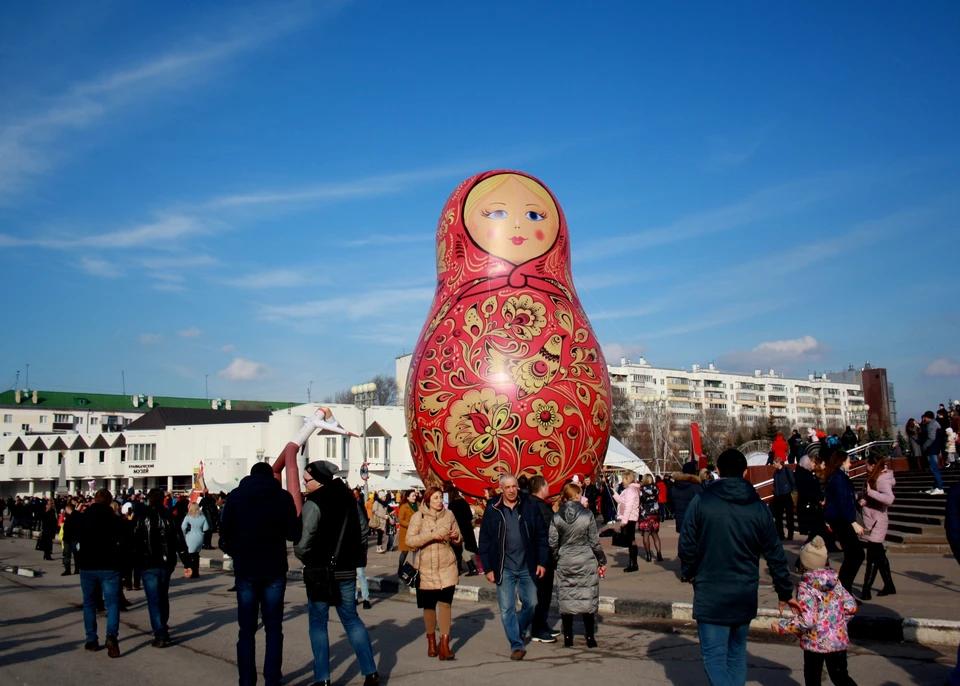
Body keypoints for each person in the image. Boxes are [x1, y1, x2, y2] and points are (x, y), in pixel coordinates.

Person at [679, 449, 798, 686]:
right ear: (745, 472)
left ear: (719, 472)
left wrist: (691, 574)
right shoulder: (758, 507)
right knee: (736, 653)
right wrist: (784, 591)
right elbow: (775, 553)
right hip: (744, 591)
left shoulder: (702, 501)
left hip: (711, 591)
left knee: (714, 658)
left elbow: (687, 545)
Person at [295, 461, 379, 686]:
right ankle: (370, 672)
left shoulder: (313, 503)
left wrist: (302, 555)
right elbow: (363, 529)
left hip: (320, 570)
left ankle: (323, 678)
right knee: (351, 619)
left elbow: (305, 538)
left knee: (318, 622)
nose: (304, 483)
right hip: (347, 569)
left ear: (320, 481)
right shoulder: (349, 499)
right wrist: (356, 557)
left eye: (307, 480)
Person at [219, 461, 300, 686]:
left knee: (246, 630)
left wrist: (237, 550)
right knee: (274, 628)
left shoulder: (236, 497)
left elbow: (224, 532)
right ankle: (272, 679)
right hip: (274, 567)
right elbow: (292, 533)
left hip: (246, 567)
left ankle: (246, 680)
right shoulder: (283, 497)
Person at [477, 473, 550, 661]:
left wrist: (542, 561)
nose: (511, 490)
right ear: (501, 489)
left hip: (527, 564)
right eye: (507, 487)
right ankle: (517, 644)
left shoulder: (529, 506)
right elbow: (484, 540)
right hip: (504, 567)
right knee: (507, 608)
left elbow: (542, 535)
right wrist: (488, 568)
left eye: (514, 486)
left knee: (532, 604)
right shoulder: (493, 509)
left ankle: (517, 630)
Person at [775, 536, 859, 686]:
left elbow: (808, 620)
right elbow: (851, 607)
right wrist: (838, 624)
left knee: (813, 678)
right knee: (840, 676)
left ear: (803, 565)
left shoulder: (805, 587)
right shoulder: (835, 581)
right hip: (837, 640)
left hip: (814, 643)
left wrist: (782, 626)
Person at [405, 485, 462, 661]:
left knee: (445, 604)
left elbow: (460, 538)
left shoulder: (449, 515)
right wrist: (430, 535)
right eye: (435, 498)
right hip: (426, 568)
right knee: (429, 606)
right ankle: (431, 641)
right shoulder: (418, 517)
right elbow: (410, 541)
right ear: (428, 500)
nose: (439, 501)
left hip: (447, 566)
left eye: (440, 497)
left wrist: (455, 537)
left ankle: (444, 644)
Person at [132, 488, 192, 648]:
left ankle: (160, 634)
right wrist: (187, 563)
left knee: (154, 599)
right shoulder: (169, 517)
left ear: (150, 500)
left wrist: (134, 561)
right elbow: (180, 541)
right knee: (162, 596)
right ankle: (162, 626)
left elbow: (135, 540)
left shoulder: (142, 517)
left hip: (148, 564)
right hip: (166, 563)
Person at [549, 482, 606, 648]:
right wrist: (601, 559)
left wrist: (556, 558)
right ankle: (590, 637)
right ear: (575, 496)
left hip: (565, 559)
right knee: (586, 597)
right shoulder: (587, 515)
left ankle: (568, 637)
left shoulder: (556, 516)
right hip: (585, 559)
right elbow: (594, 541)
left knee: (567, 599)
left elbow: (552, 542)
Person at [77, 489, 127, 658]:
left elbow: (70, 534)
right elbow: (125, 541)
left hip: (88, 565)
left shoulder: (83, 518)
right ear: (110, 501)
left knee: (89, 603)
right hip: (109, 565)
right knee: (112, 603)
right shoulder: (115, 519)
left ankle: (91, 639)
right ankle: (111, 635)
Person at [823, 451, 865, 595]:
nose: (850, 463)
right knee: (856, 555)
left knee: (853, 555)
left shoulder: (839, 477)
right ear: (841, 462)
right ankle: (843, 591)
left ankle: (843, 590)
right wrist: (853, 522)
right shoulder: (839, 478)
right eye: (848, 461)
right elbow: (841, 502)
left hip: (841, 519)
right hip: (843, 520)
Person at [858, 456, 896, 600]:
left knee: (872, 557)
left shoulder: (881, 480)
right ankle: (889, 585)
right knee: (879, 556)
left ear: (873, 466)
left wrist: (869, 493)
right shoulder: (873, 478)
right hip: (872, 521)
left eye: (867, 465)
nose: (865, 468)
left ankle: (866, 590)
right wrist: (861, 498)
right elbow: (869, 495)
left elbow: (889, 499)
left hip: (877, 523)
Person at [528, 475, 558, 643]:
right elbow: (548, 534)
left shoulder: (532, 505)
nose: (548, 488)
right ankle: (538, 629)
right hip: (542, 558)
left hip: (541, 557)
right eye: (546, 485)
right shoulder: (540, 508)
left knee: (544, 593)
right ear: (541, 489)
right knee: (542, 594)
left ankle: (542, 624)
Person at [447, 484, 479, 577]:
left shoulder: (452, 505)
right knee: (462, 548)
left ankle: (470, 568)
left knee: (460, 549)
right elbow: (469, 515)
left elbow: (451, 518)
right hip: (467, 528)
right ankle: (463, 567)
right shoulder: (463, 502)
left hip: (458, 529)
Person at [613, 472, 641, 572]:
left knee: (630, 540)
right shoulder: (631, 490)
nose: (622, 481)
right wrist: (615, 493)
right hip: (630, 517)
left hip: (630, 518)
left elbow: (628, 506)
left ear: (627, 479)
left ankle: (633, 564)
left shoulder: (630, 490)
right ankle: (633, 563)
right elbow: (622, 501)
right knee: (631, 540)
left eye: (623, 479)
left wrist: (624, 520)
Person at [795, 456, 822, 538]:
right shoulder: (803, 475)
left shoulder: (808, 473)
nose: (814, 464)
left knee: (814, 532)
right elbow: (807, 491)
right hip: (808, 505)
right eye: (812, 462)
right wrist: (819, 497)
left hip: (811, 504)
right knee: (813, 531)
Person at [671, 462, 702, 533]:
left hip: (680, 518)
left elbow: (671, 501)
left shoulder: (675, 486)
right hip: (693, 520)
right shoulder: (696, 487)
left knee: (683, 540)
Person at [638, 474, 663, 562]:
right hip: (655, 512)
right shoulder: (656, 488)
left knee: (646, 534)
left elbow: (639, 499)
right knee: (655, 534)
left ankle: (648, 555)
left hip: (645, 513)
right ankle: (659, 554)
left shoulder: (641, 489)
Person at [181, 502, 208, 579]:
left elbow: (183, 527)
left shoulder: (188, 517)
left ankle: (191, 571)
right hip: (199, 535)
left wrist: (185, 533)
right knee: (196, 554)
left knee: (190, 554)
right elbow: (206, 528)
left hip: (191, 535)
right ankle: (196, 572)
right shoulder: (202, 517)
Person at [771, 459, 797, 541]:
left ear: (779, 462)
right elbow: (775, 484)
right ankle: (780, 535)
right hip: (778, 496)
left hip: (787, 495)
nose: (773, 464)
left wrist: (791, 491)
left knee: (789, 516)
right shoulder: (775, 473)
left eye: (774, 462)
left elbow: (793, 482)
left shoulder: (787, 471)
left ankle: (790, 534)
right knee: (778, 517)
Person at [921, 411, 945, 495]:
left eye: (925, 417)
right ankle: (935, 487)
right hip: (932, 449)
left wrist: (924, 446)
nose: (923, 419)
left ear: (928, 417)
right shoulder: (932, 424)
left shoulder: (932, 424)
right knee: (933, 468)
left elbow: (931, 438)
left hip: (932, 449)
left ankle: (939, 487)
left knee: (934, 469)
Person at [397, 489, 419, 576]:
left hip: (417, 532)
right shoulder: (404, 506)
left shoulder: (419, 505)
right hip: (406, 532)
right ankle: (400, 568)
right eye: (412, 496)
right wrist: (410, 524)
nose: (414, 497)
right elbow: (401, 520)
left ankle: (416, 569)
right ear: (408, 497)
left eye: (415, 496)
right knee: (405, 551)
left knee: (415, 551)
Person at [61, 501, 81, 575]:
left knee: (69, 554)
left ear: (68, 508)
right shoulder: (75, 515)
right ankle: (75, 569)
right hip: (71, 538)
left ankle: (69, 569)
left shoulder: (74, 516)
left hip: (72, 538)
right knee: (74, 554)